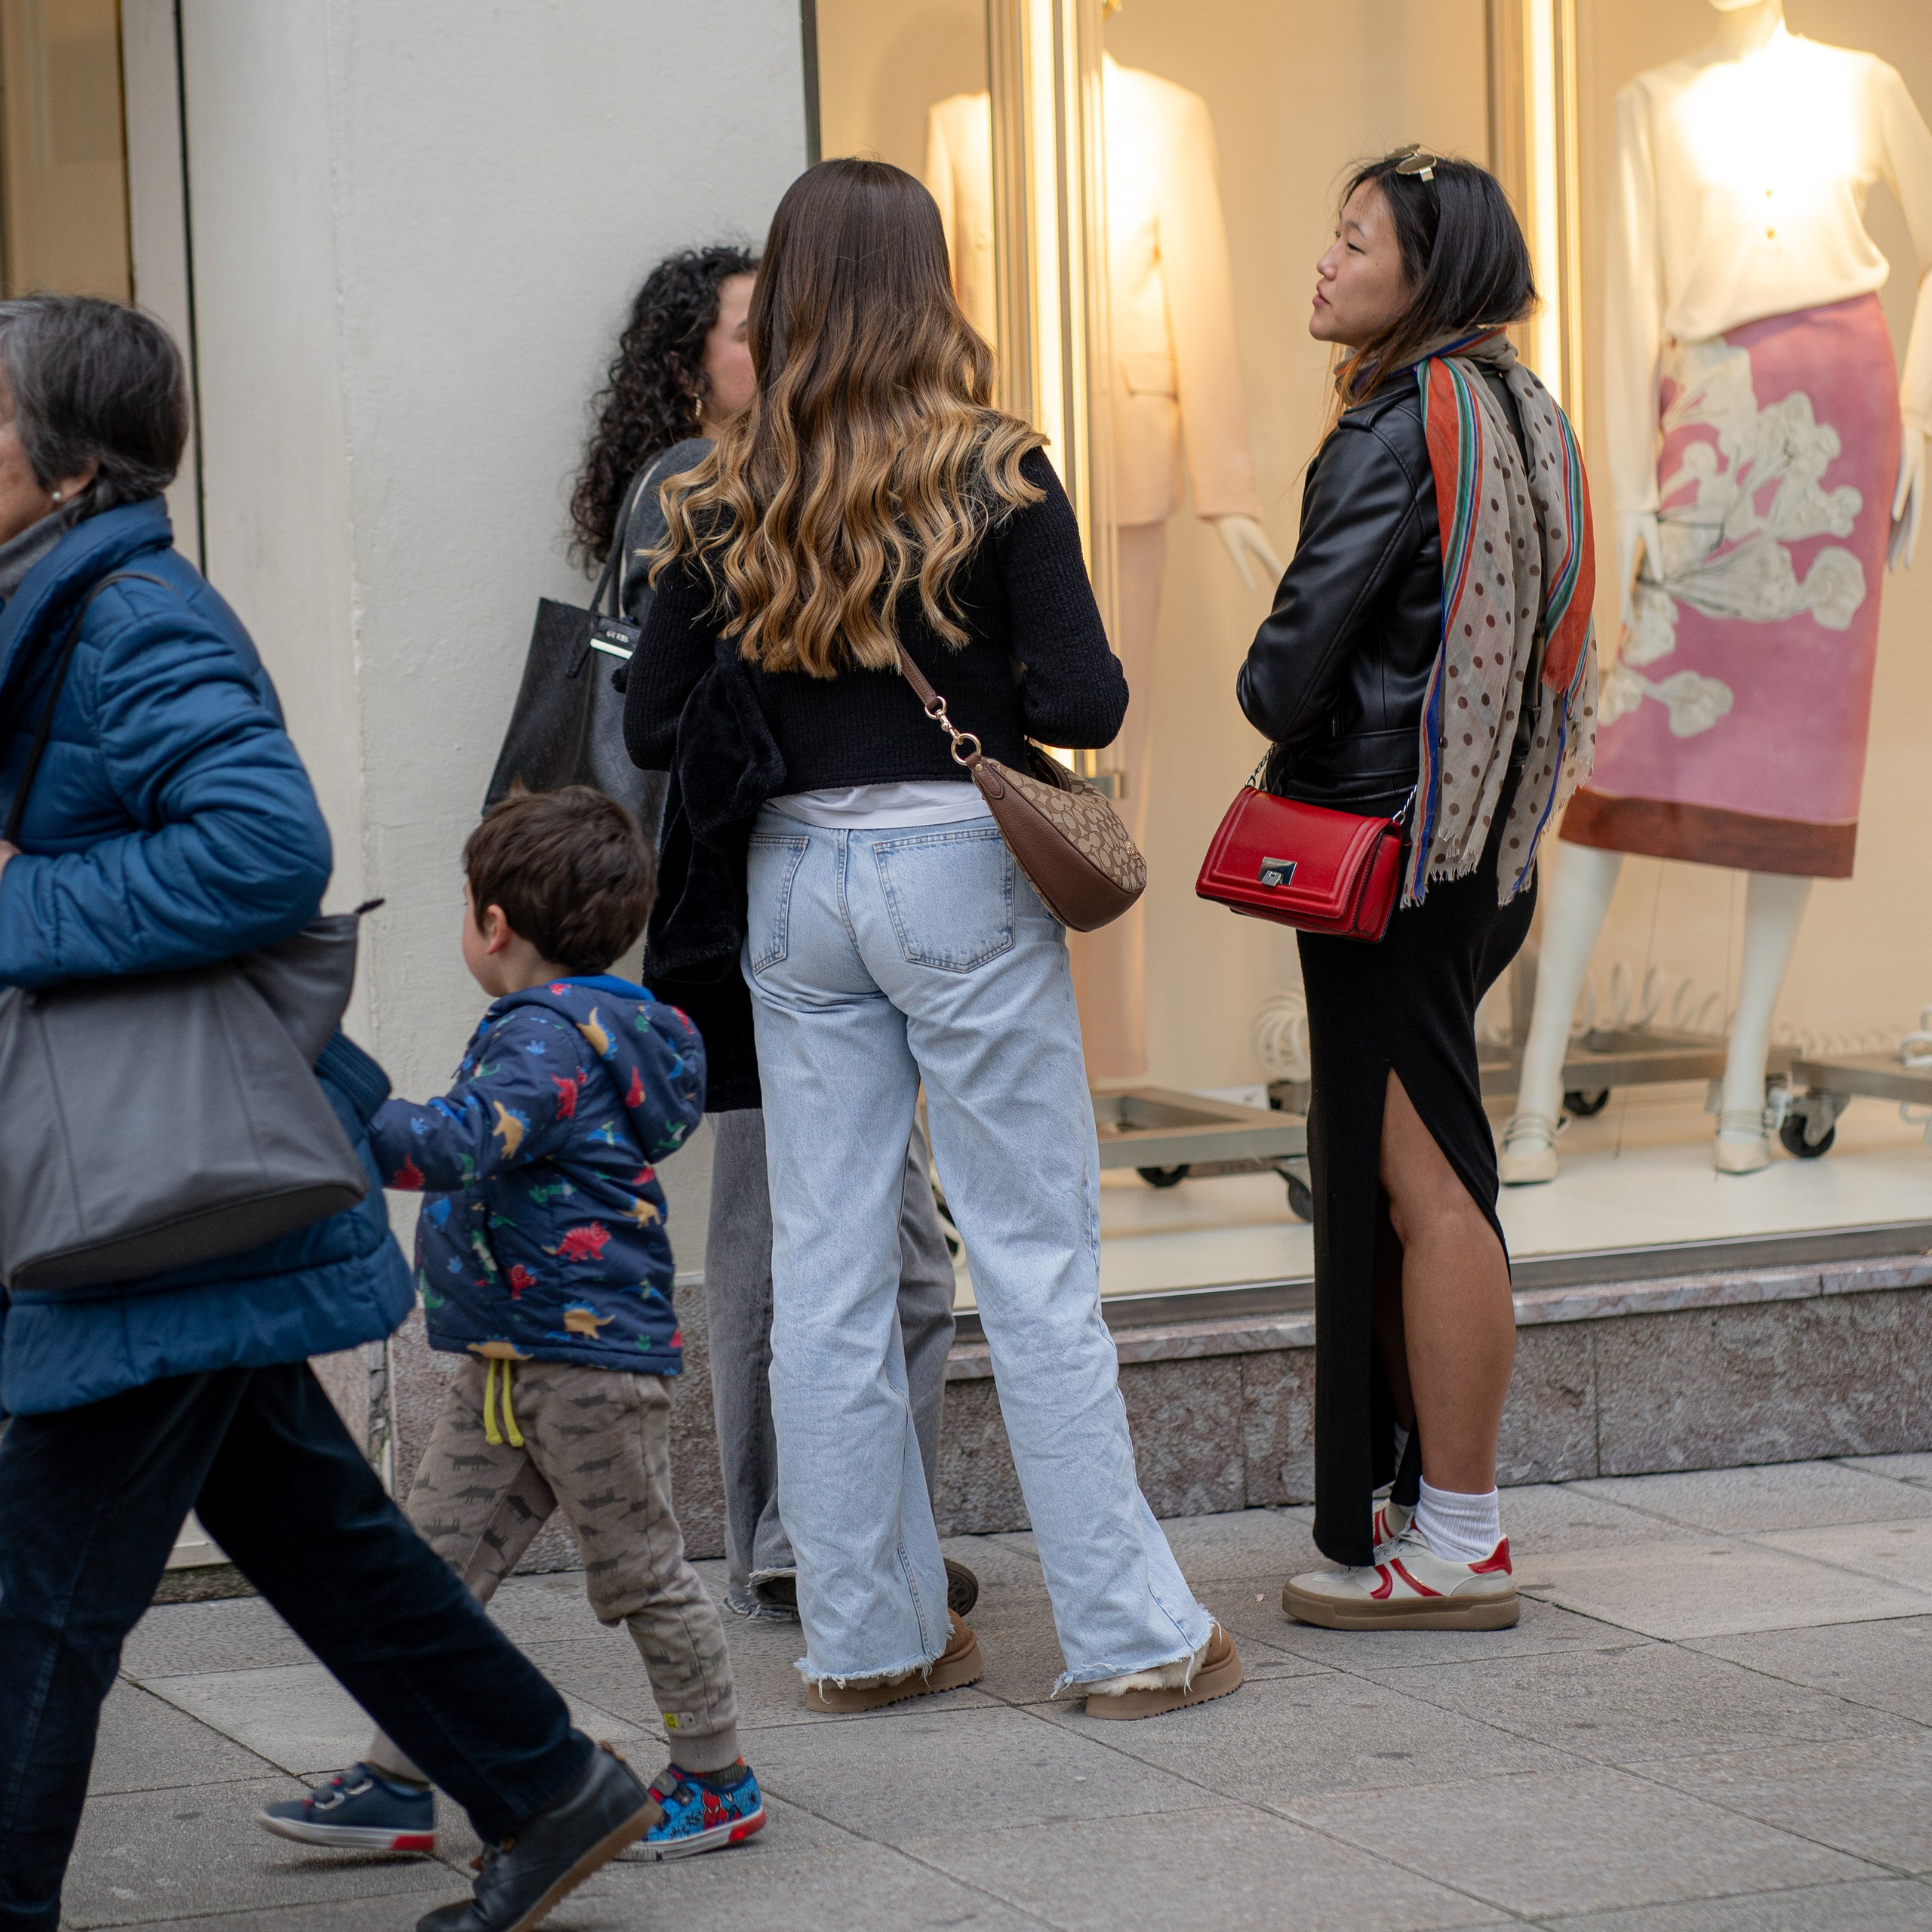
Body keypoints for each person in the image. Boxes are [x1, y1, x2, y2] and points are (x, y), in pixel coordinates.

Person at [0, 296, 651, 1932]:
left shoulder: (134, 611)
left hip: (148, 1180)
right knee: (311, 1523)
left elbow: (260, 849)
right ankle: (541, 1778)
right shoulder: (54, 597)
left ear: (66, 462)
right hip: (156, 1166)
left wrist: (16, 901)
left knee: (38, 1597)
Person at [626, 157, 1240, 1718]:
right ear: (927, 285)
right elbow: (1086, 700)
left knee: (827, 1262)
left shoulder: (721, 483)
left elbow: (649, 714)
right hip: (957, 870)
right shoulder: (997, 468)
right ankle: (1126, 1635)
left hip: (792, 888)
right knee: (1031, 1256)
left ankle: (869, 1632)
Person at [257, 786, 764, 1863]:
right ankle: (399, 1781)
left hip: (586, 1367)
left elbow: (450, 1145)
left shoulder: (547, 1042)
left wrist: (320, 1091)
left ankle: (717, 1775)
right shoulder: (566, 1032)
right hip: (509, 1357)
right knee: (430, 1572)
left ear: (493, 925)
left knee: (640, 1572)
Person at [1236, 151, 1597, 1629]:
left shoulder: (1394, 428)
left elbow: (1284, 667)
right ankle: (1426, 1502)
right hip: (1478, 849)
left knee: (1429, 1185)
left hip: (1384, 850)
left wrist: (1274, 682)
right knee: (1429, 1168)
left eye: (1353, 242)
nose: (1323, 265)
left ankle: (1458, 1536)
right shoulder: (1523, 409)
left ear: (1425, 272)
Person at [586, 244, 972, 1623]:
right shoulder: (684, 496)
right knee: (770, 1239)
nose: (781, 352)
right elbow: (646, 741)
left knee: (906, 1249)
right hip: (741, 924)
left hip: (859, 919)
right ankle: (788, 1539)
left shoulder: (862, 482)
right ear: (691, 369)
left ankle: (880, 1523)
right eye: (752, 335)